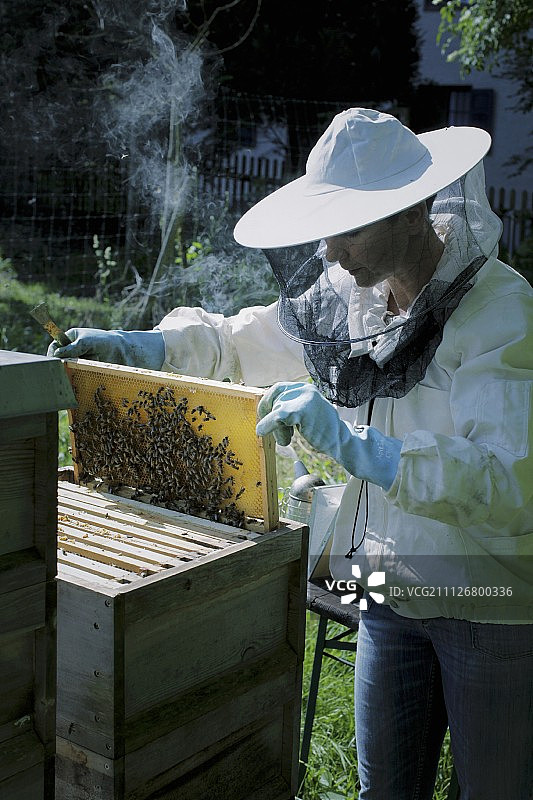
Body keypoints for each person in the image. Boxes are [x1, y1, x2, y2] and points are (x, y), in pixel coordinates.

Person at [49, 108, 533, 799]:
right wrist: (140, 346)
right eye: (327, 228)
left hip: (487, 598)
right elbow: (240, 341)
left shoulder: (499, 312)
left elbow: (512, 487)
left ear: (413, 210)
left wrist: (360, 450)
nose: (333, 252)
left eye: (352, 229)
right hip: (380, 584)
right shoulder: (346, 299)